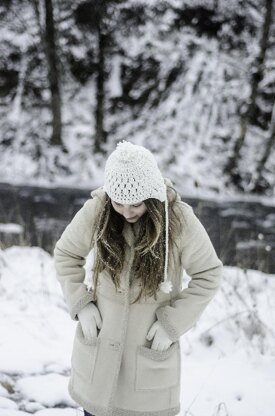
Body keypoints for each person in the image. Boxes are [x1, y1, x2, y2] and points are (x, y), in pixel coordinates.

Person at [54, 140, 223, 416]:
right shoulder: (99, 209)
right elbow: (66, 253)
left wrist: (172, 324)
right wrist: (81, 303)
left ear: (152, 196)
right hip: (98, 361)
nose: (127, 212)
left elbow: (209, 274)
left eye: (136, 204)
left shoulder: (179, 219)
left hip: (147, 365)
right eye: (119, 203)